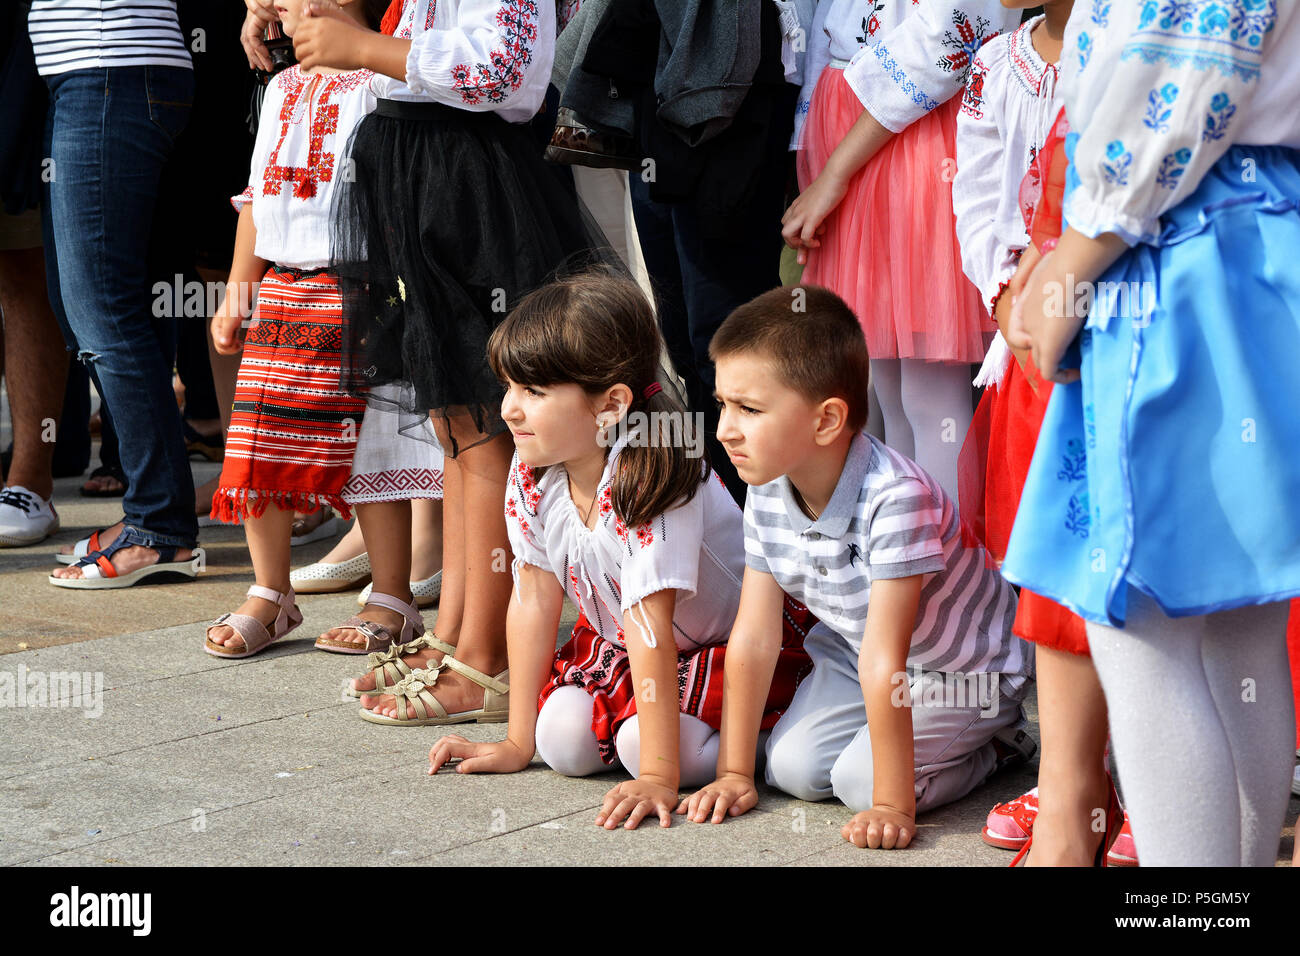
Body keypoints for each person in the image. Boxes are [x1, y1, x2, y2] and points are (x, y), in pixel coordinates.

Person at [1003, 1, 1300, 867]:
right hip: (1243, 236)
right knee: (1237, 618)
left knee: (1144, 622)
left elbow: (1184, 54)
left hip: (1183, 242)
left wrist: (1077, 253)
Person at [292, 0, 608, 715]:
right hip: (410, 158)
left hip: (470, 174)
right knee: (454, 423)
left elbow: (507, 70)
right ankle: (453, 635)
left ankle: (487, 658)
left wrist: (366, 46)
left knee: (490, 417)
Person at [423, 273, 814, 831]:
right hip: (631, 648)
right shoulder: (534, 466)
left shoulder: (655, 470)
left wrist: (657, 773)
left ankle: (767, 730)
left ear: (611, 405)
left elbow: (649, 621)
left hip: (733, 650)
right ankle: (659, 740)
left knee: (642, 747)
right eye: (510, 386)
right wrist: (516, 741)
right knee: (558, 740)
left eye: (534, 392)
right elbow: (532, 596)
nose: (510, 409)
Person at [681, 285, 1034, 850]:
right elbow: (753, 636)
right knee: (790, 769)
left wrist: (893, 804)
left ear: (826, 421)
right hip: (856, 654)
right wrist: (733, 773)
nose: (724, 428)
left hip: (962, 674)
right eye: (724, 404)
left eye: (748, 408)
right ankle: (901, 760)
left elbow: (886, 657)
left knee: (861, 783)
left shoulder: (894, 497)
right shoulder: (769, 486)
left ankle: (999, 746)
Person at [951, 0, 1132, 866]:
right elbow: (1013, 184)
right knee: (1061, 561)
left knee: (1166, 566)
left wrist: (1065, 274)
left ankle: (1143, 788)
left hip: (1157, 278)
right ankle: (1073, 788)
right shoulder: (1046, 48)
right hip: (1059, 296)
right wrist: (1023, 285)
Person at [204, 0, 399, 658]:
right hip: (285, 288)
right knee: (255, 440)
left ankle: (393, 598)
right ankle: (271, 592)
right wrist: (239, 286)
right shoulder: (283, 85)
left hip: (365, 287)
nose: (271, 5)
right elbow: (257, 193)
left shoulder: (382, 75)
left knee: (374, 452)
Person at [780, 0, 1020, 502]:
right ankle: (900, 555)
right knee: (883, 386)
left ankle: (942, 566)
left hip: (916, 127)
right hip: (853, 120)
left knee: (928, 393)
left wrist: (833, 171)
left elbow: (949, 40)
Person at [34, 0, 202, 588]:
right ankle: (158, 513)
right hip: (103, 73)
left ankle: (158, 525)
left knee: (100, 309)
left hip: (110, 68)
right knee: (101, 306)